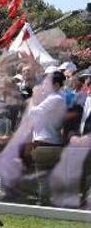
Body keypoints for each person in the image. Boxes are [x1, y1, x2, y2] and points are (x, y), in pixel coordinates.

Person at [29, 71, 68, 201]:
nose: (43, 85)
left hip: (47, 142)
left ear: (56, 85)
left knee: (42, 175)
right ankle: (47, 199)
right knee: (45, 175)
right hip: (49, 141)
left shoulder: (55, 98)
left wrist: (33, 97)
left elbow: (34, 112)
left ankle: (44, 201)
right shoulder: (55, 97)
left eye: (47, 83)